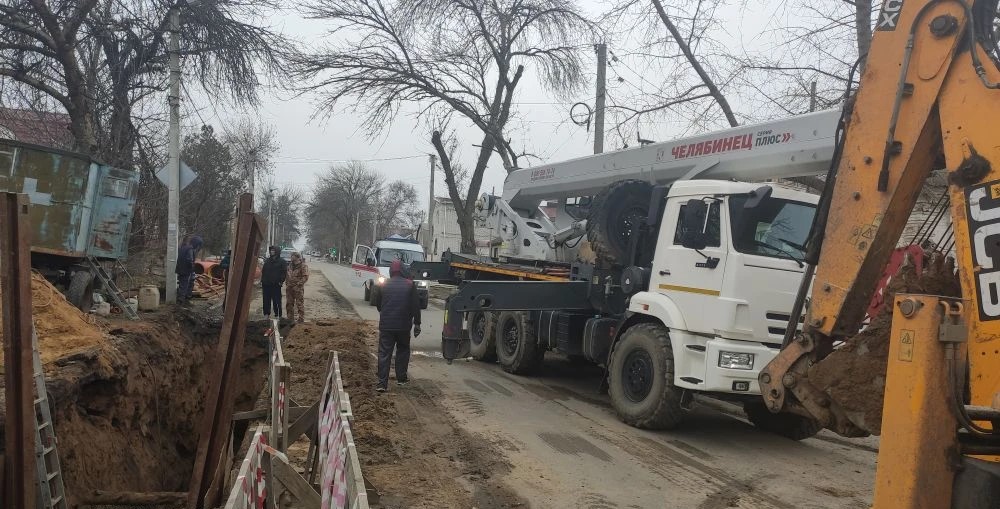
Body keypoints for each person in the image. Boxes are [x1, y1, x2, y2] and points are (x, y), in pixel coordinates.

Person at [373, 260, 421, 392]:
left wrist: (386, 313)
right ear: (403, 270)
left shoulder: (384, 284)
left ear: (391, 271)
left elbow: (378, 305)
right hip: (404, 326)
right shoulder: (410, 284)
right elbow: (415, 306)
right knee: (403, 350)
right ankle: (401, 378)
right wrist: (417, 324)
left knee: (384, 353)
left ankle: (382, 383)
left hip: (386, 326)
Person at [260, 246, 287, 319]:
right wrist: (262, 280)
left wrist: (281, 281)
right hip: (266, 284)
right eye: (271, 250)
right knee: (266, 300)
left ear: (277, 251)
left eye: (273, 250)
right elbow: (264, 271)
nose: (272, 252)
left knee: (276, 300)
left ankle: (278, 314)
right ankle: (266, 314)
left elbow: (284, 272)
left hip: (276, 284)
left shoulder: (282, 261)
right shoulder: (267, 261)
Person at [175, 235, 203, 303]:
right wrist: (192, 268)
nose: (198, 247)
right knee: (184, 286)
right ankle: (181, 301)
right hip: (186, 270)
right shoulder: (190, 249)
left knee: (184, 284)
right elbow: (189, 260)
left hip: (181, 269)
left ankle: (185, 298)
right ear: (196, 243)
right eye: (198, 245)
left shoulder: (184, 247)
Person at [285, 252, 309, 323]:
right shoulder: (290, 265)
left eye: (293, 256)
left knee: (299, 304)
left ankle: (301, 319)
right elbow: (287, 275)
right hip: (289, 288)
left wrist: (298, 285)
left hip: (298, 288)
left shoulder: (303, 266)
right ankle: (290, 319)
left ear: (297, 257)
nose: (291, 257)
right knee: (289, 304)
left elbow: (305, 277)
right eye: (291, 256)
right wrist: (287, 283)